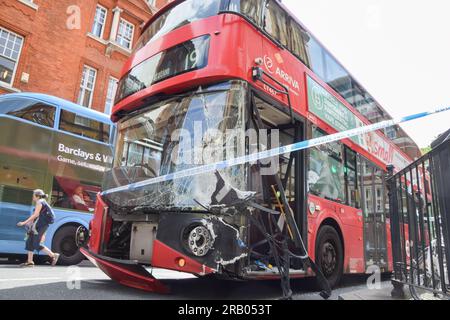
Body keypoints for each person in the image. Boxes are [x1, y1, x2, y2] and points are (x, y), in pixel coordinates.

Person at [17, 189, 60, 267]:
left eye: (33, 195)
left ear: (37, 196)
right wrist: (30, 224)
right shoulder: (41, 202)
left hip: (41, 226)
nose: (32, 197)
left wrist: (24, 222)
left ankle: (53, 255)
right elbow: (36, 215)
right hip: (37, 225)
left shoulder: (39, 202)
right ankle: (30, 262)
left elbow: (36, 215)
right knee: (29, 241)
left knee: (36, 244)